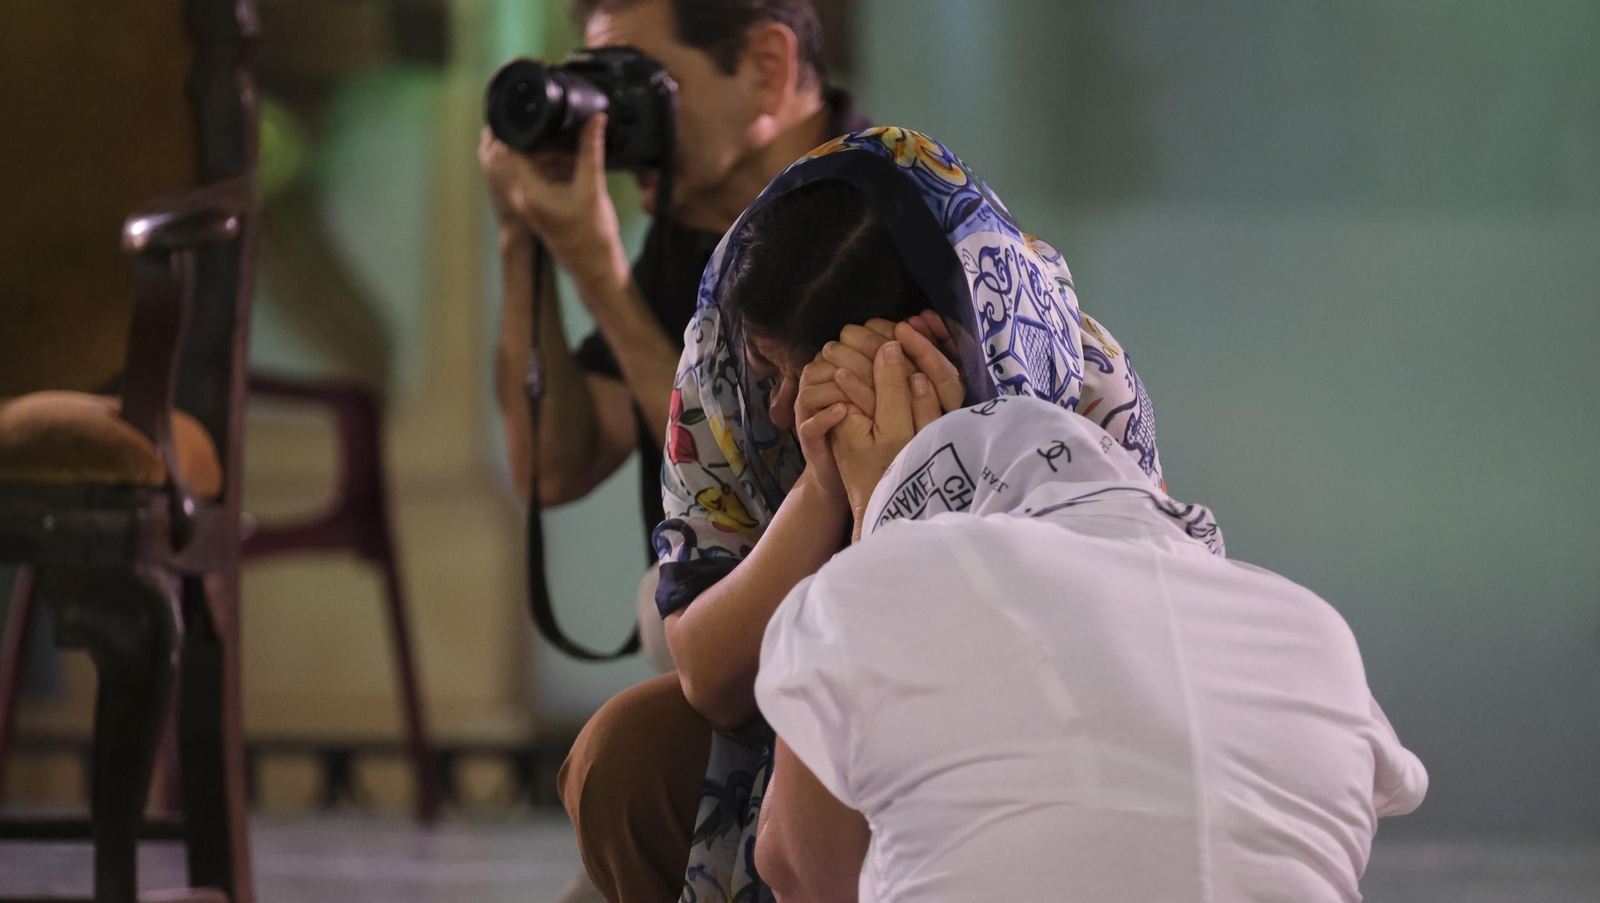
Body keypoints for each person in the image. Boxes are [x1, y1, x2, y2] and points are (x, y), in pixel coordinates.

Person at [562, 126, 1166, 902]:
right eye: (768, 369)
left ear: (931, 347)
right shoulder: (722, 357)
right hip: (796, 717)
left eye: (805, 379)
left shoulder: (1073, 385)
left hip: (1026, 743)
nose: (777, 409)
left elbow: (1084, 674)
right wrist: (824, 489)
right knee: (628, 754)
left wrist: (906, 490)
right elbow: (710, 679)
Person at [754, 391, 1428, 902]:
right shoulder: (1314, 630)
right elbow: (1388, 785)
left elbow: (797, 873)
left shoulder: (872, 590)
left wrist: (869, 529)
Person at [478, 0, 870, 669]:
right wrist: (523, 237)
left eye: (642, 84)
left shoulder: (877, 219)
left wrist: (603, 280)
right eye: (605, 86)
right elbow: (553, 467)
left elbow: (770, 507)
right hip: (726, 663)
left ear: (766, 69)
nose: (613, 123)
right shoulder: (694, 234)